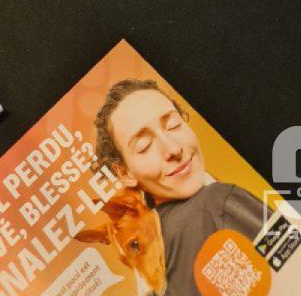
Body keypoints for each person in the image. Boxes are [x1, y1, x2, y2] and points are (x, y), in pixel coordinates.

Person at [94, 78, 269, 296]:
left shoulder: (158, 259)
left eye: (173, 125)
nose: (173, 149)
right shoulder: (218, 202)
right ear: (124, 173)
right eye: (144, 146)